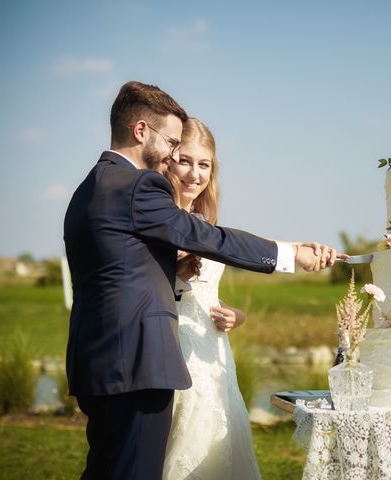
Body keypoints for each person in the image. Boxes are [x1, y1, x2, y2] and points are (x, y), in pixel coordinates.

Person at [64, 81, 337, 480]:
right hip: (137, 365)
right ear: (141, 131)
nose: (174, 155)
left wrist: (174, 277)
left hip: (101, 363)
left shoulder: (89, 187)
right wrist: (290, 253)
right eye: (172, 142)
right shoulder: (138, 184)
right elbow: (207, 237)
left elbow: (120, 274)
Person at [162, 118, 261, 479]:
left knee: (221, 445)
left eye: (204, 165)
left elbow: (211, 296)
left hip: (215, 354)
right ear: (168, 159)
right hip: (174, 349)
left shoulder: (204, 223)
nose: (194, 173)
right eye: (185, 161)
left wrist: (236, 315)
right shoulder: (155, 217)